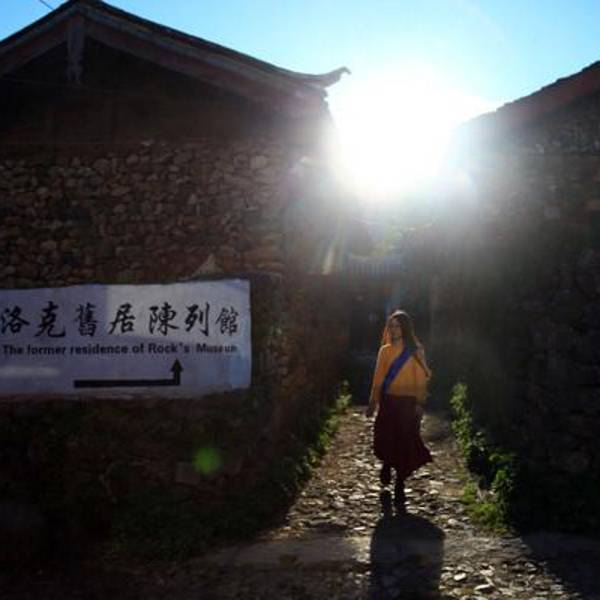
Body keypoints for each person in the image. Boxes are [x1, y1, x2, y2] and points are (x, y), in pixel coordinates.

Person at [366, 310, 432, 508]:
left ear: (404, 328)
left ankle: (400, 482)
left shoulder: (415, 350)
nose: (394, 330)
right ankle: (387, 464)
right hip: (389, 402)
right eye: (391, 326)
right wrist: (373, 401)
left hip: (408, 404)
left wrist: (420, 402)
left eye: (397, 326)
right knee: (385, 437)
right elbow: (378, 378)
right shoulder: (385, 351)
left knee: (405, 442)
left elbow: (421, 378)